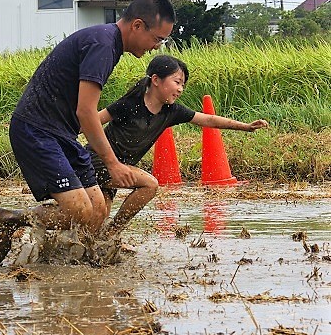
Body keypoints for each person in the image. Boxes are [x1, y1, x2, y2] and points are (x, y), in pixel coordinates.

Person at [0, 0, 176, 237]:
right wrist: (113, 164)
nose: (156, 47)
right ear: (137, 25)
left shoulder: (109, 44)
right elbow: (86, 111)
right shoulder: (102, 44)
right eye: (157, 39)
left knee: (98, 210)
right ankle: (10, 219)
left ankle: (72, 263)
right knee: (80, 210)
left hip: (62, 135)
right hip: (36, 130)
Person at [88, 55, 269, 236]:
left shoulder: (171, 111)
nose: (181, 89)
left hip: (119, 168)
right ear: (156, 80)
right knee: (149, 185)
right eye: (177, 82)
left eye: (183, 84)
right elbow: (91, 120)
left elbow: (208, 119)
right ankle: (113, 233)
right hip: (97, 160)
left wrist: (245, 127)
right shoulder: (130, 104)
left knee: (98, 215)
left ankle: (94, 242)